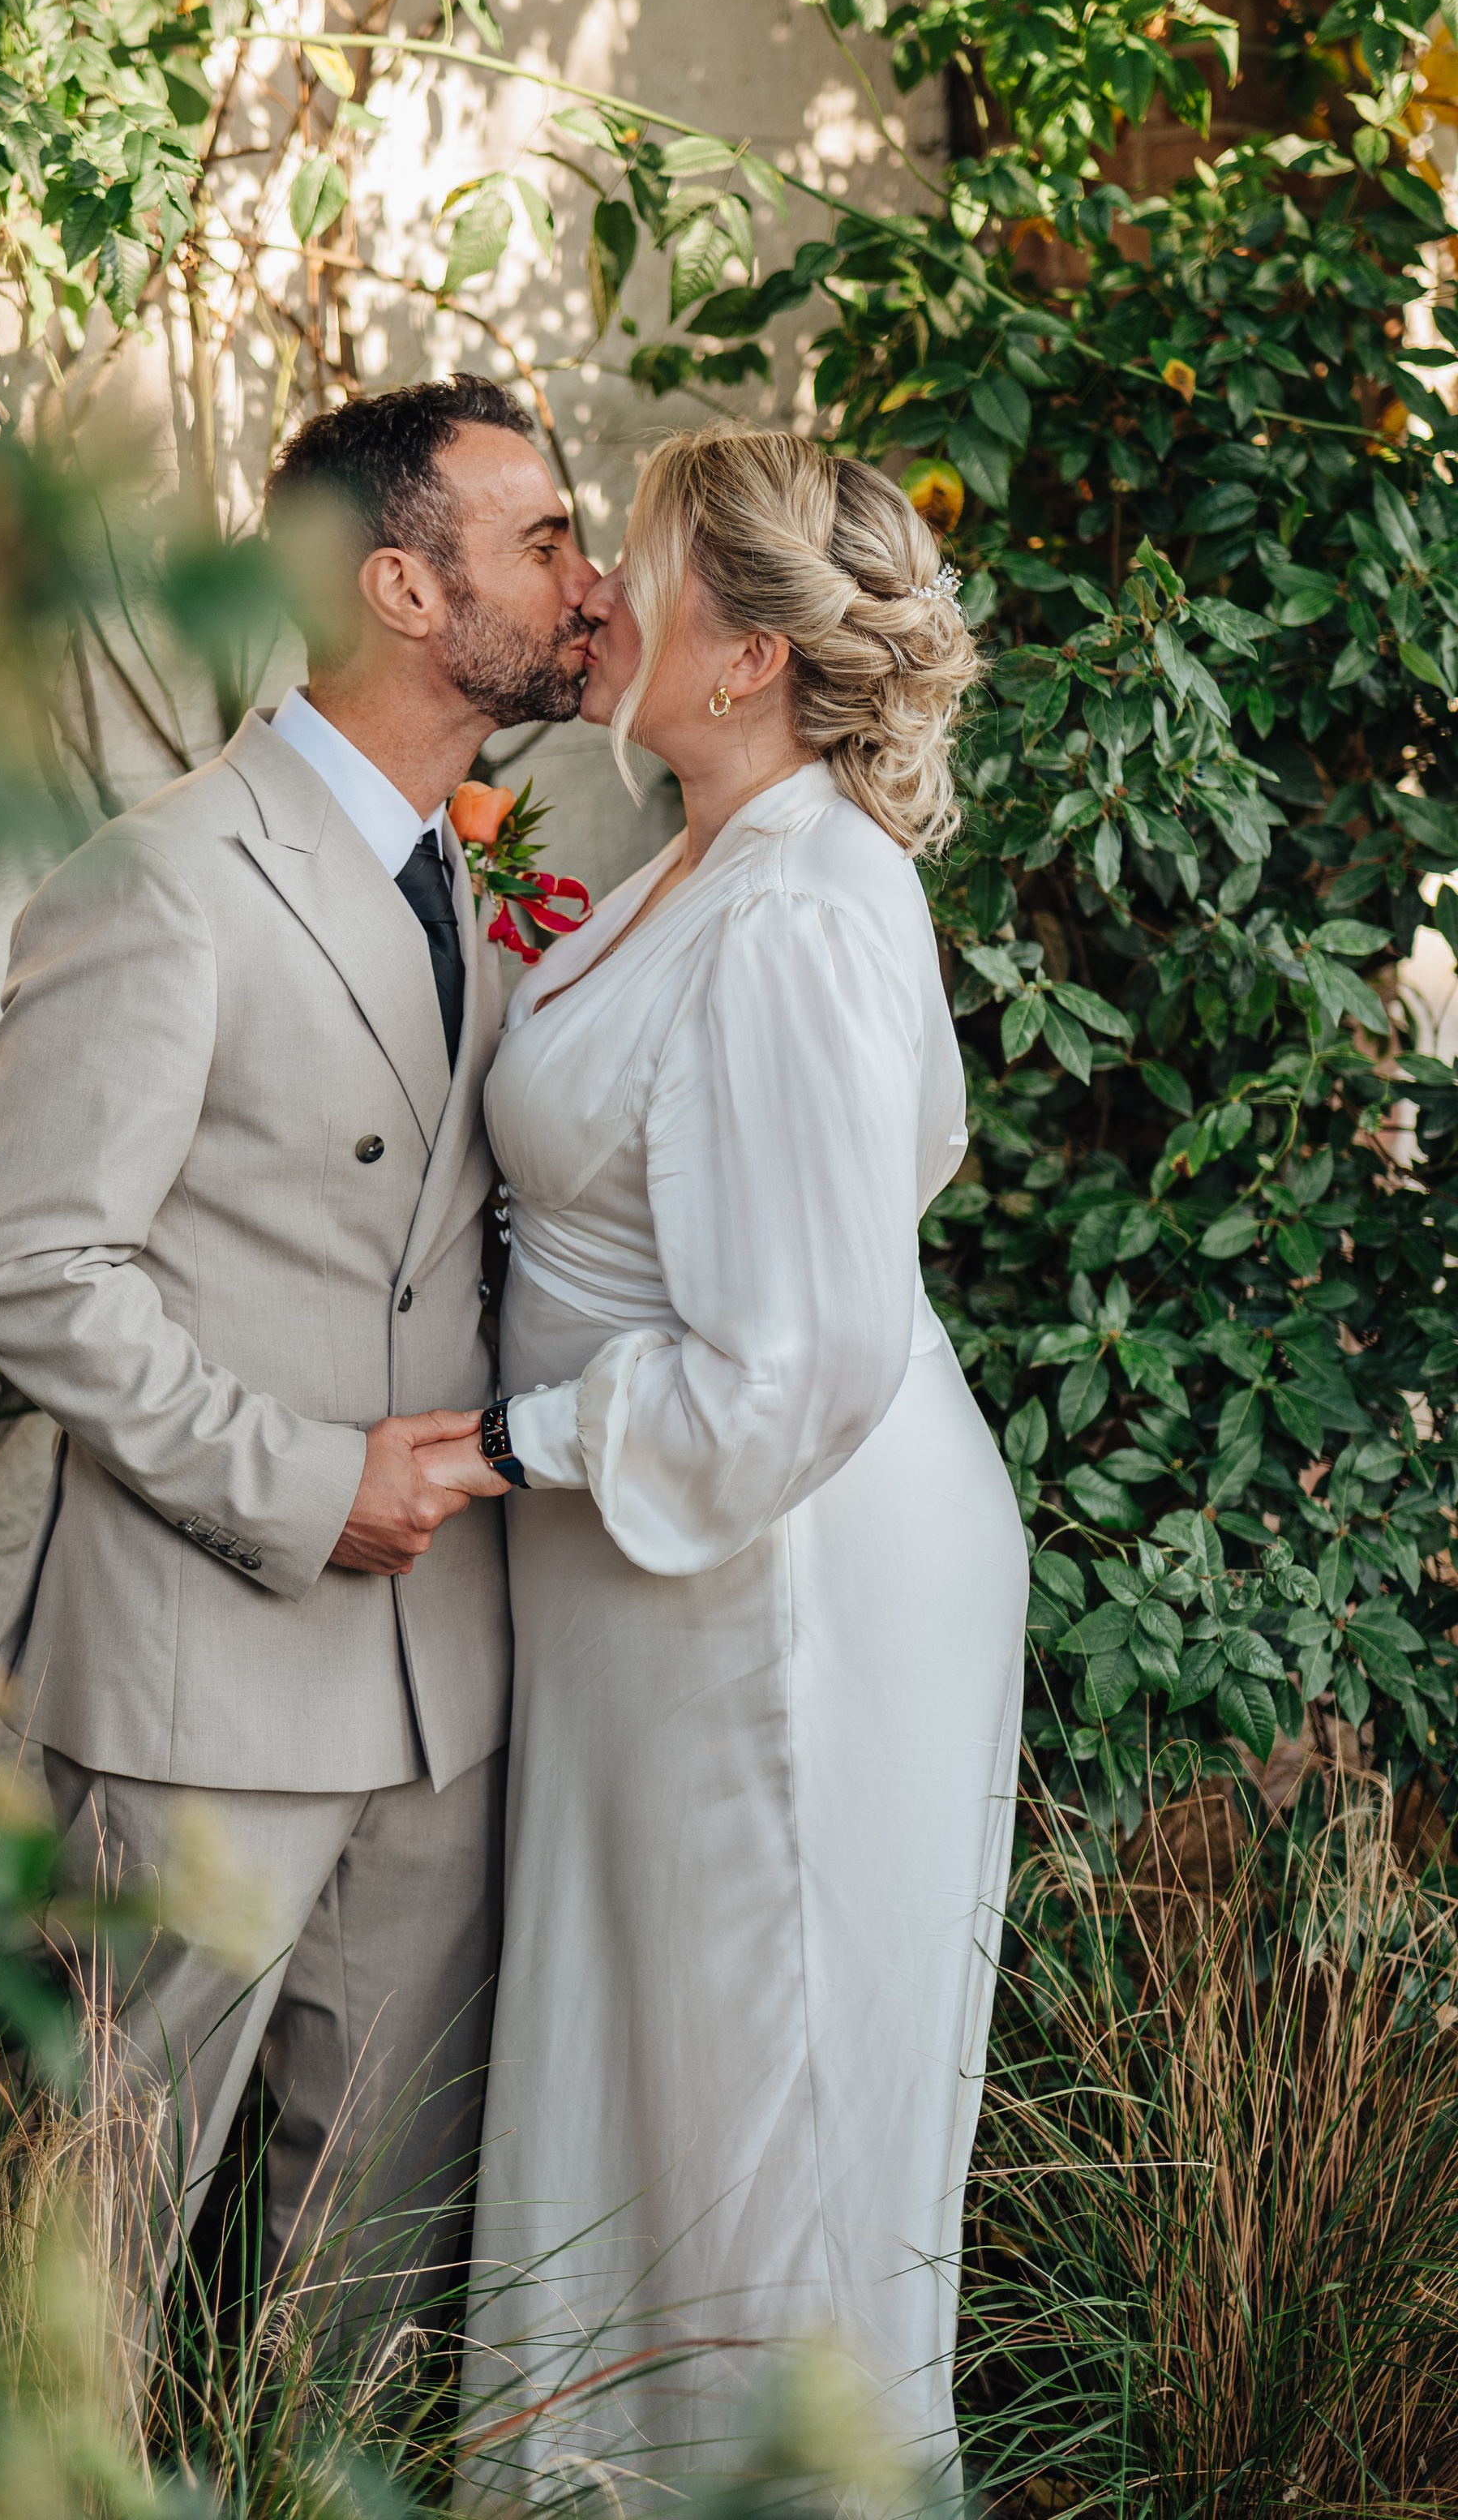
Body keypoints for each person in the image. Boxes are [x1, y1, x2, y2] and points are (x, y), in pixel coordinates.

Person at [0, 375, 596, 2316]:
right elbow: (33, 1263)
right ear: (400, 586)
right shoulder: (160, 882)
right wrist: (309, 1486)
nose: (581, 577)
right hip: (205, 1688)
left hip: (442, 1694)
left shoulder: (466, 870)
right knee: (85, 2249)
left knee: (360, 2279)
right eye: (541, 538)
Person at [420, 428, 1029, 2494]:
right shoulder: (697, 844)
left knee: (743, 2080)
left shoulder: (793, 907)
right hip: (650, 1577)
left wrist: (522, 1438)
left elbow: (802, 1355)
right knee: (647, 2069)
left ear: (750, 649)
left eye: (638, 570)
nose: (592, 597)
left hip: (756, 1569)